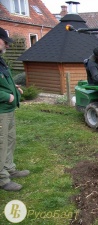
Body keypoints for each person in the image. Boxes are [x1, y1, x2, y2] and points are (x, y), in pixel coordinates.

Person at [0, 27, 29, 191]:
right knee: (1, 143)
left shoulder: (0, 60)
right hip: (1, 110)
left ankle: (9, 169)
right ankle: (2, 179)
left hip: (8, 109)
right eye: (5, 42)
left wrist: (14, 87)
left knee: (10, 140)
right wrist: (6, 96)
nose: (8, 46)